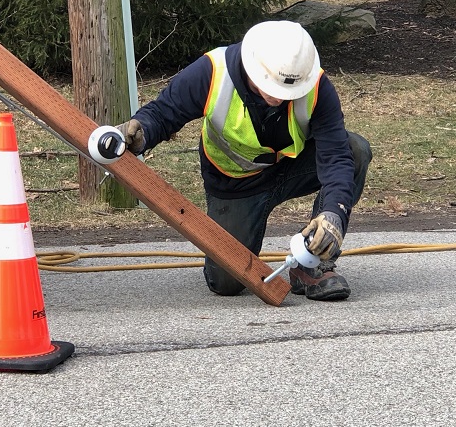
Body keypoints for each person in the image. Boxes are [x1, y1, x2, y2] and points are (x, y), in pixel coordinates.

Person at [117, 20, 371, 301]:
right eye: (271, 87)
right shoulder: (214, 71)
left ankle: (311, 263)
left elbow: (336, 156)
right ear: (253, 66)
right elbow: (165, 112)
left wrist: (335, 214)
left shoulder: (315, 84)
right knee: (226, 283)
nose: (277, 98)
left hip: (290, 168)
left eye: (287, 91)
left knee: (355, 150)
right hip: (235, 184)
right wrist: (141, 131)